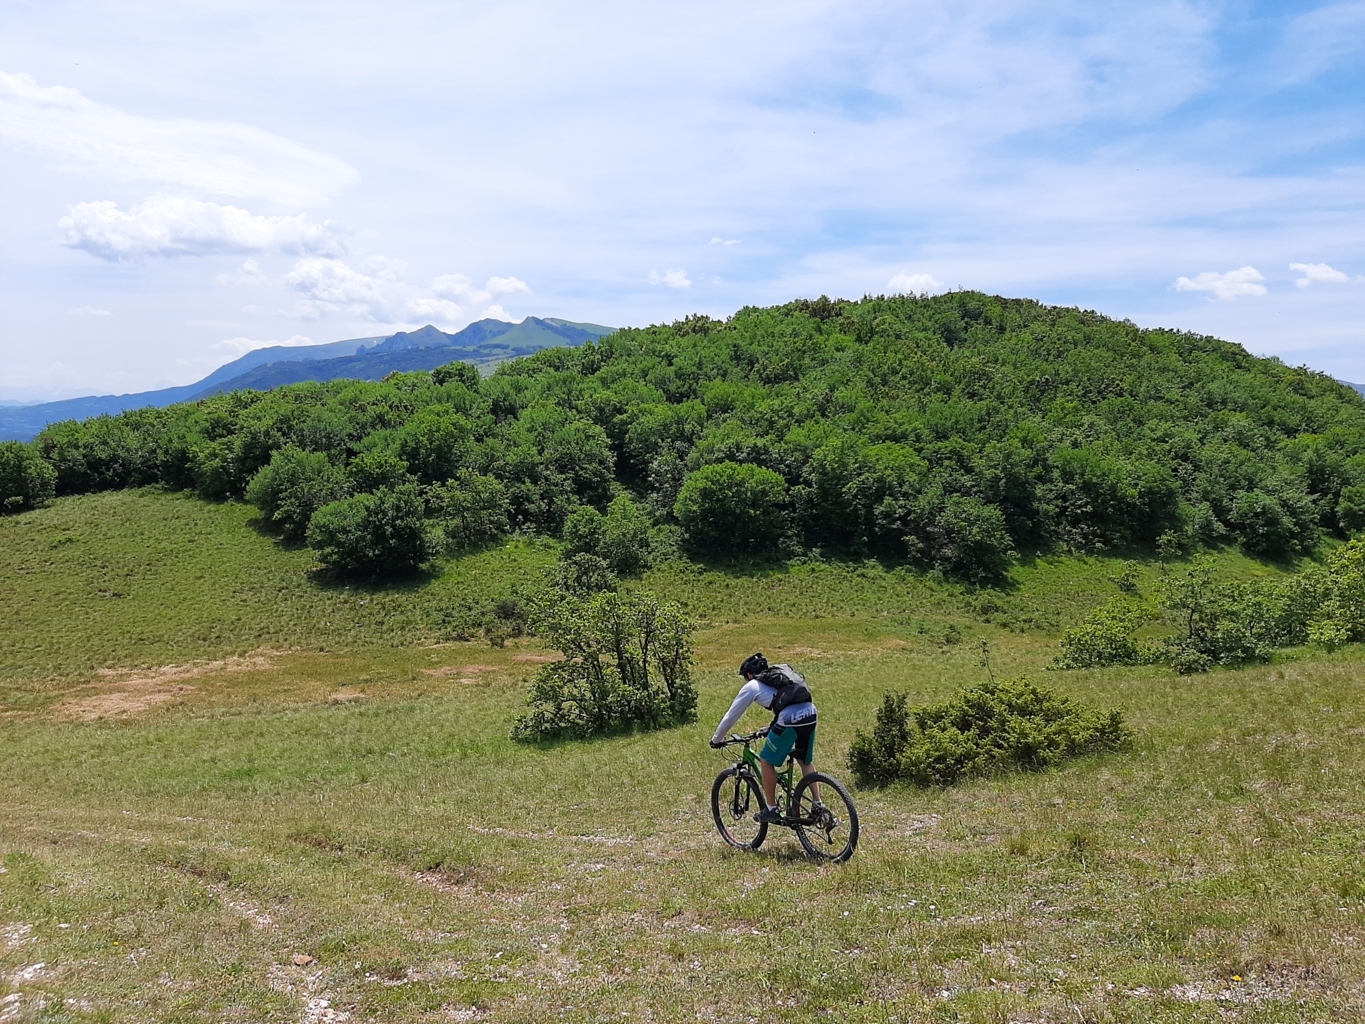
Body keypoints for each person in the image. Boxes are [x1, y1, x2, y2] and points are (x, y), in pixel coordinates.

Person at [709, 652, 822, 824]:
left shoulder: (752, 686)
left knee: (766, 760)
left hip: (789, 719)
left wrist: (716, 739)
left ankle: (771, 809)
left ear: (748, 675)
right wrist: (771, 728)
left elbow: (731, 716)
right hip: (810, 712)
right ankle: (818, 804)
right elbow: (785, 702)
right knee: (804, 760)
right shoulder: (779, 678)